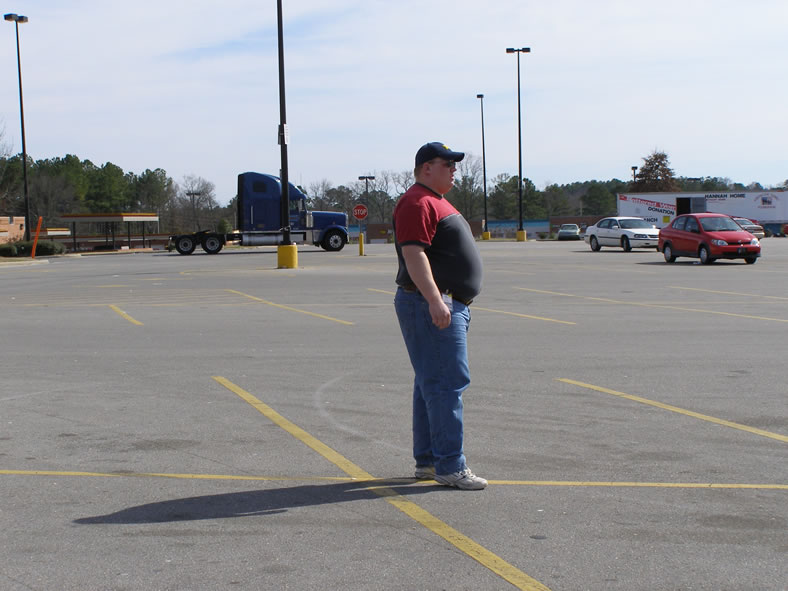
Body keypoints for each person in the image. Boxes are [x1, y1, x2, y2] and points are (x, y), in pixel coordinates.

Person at [392, 141, 486, 491]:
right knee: (446, 383)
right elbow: (414, 254)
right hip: (432, 303)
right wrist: (435, 300)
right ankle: (450, 465)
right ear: (426, 168)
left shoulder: (434, 200)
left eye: (454, 164)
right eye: (447, 164)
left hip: (444, 303)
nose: (454, 169)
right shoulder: (417, 201)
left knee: (430, 382)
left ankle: (430, 460)